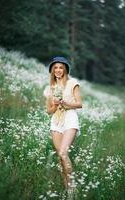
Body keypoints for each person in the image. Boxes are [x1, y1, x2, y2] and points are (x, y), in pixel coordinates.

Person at [44, 56, 82, 191]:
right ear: (52, 70)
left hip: (70, 118)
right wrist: (54, 105)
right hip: (56, 121)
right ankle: (67, 188)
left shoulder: (73, 83)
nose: (58, 70)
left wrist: (66, 104)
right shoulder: (49, 88)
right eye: (55, 68)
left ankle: (73, 188)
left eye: (61, 67)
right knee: (60, 157)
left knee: (63, 153)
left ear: (65, 69)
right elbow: (49, 110)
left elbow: (79, 103)